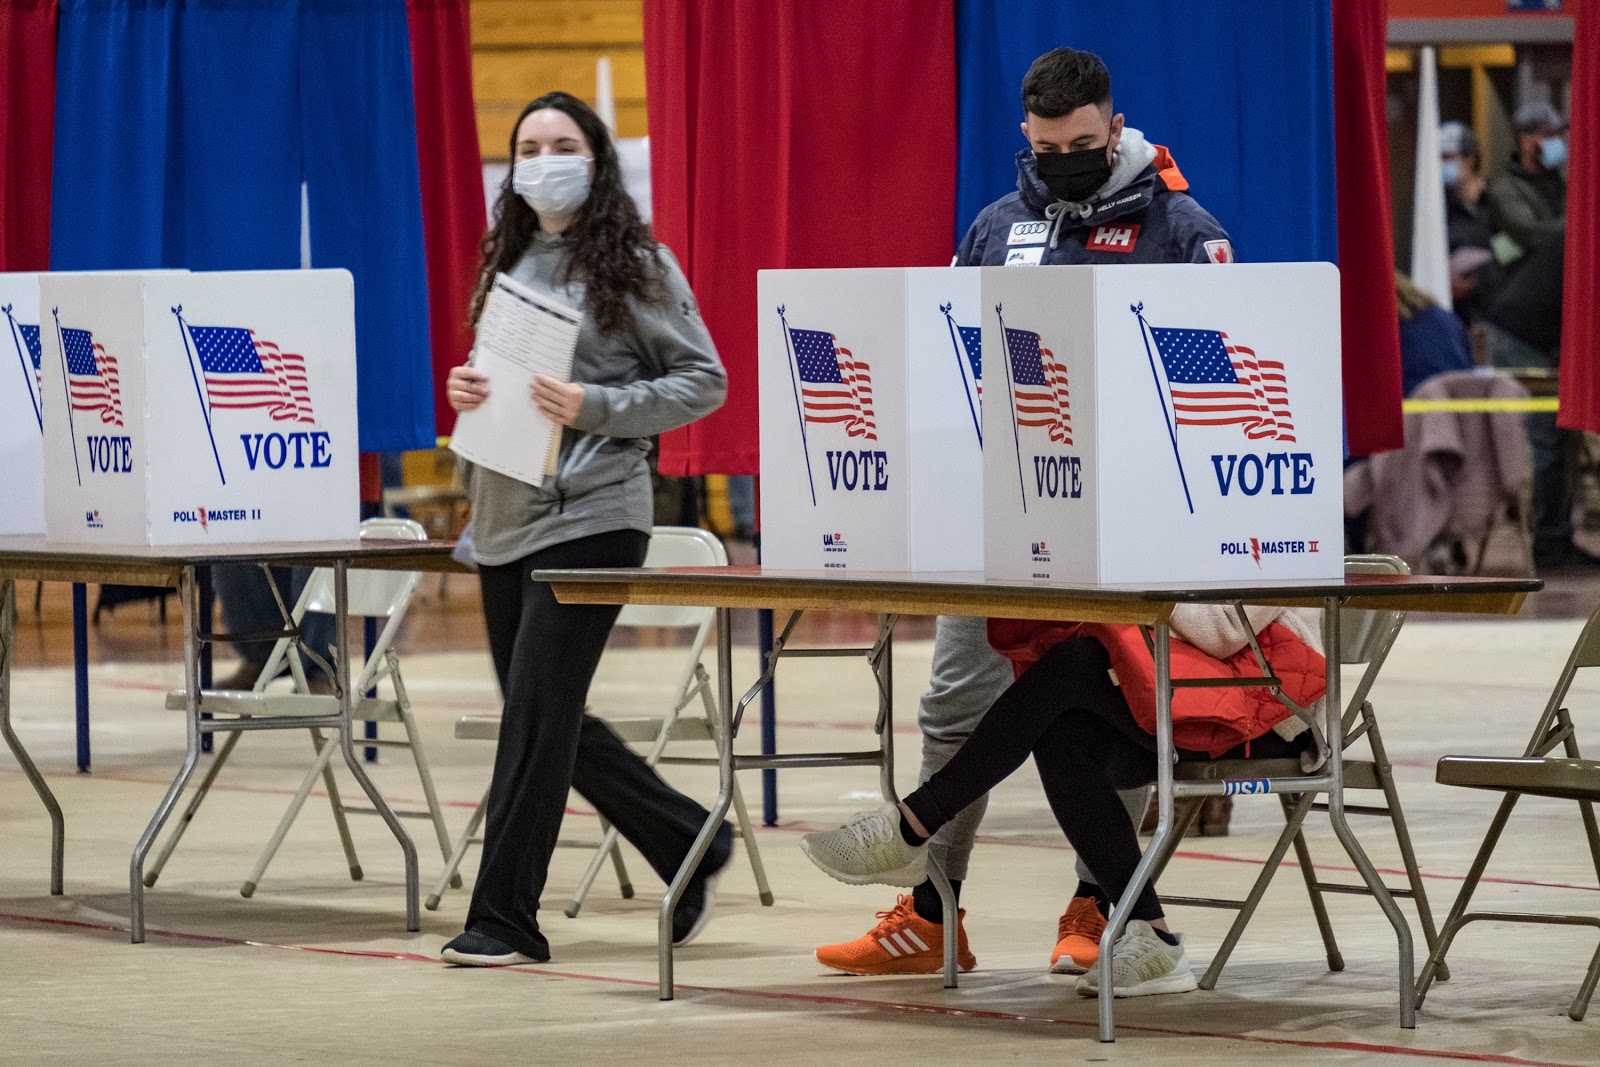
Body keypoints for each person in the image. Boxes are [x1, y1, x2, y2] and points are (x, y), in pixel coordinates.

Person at [811, 47, 1235, 981]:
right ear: (1026, 137)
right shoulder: (996, 226)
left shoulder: (1182, 227)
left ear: (1116, 128)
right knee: (955, 703)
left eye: (1085, 143)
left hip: (1129, 529)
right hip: (1003, 517)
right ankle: (933, 910)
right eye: (1050, 148)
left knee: (1101, 704)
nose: (1067, 159)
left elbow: (1217, 373)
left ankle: (1101, 902)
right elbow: (949, 362)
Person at [439, 91, 732, 967]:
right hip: (503, 516)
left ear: (596, 160)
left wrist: (594, 403)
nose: (544, 157)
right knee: (542, 714)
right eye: (530, 144)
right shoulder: (511, 258)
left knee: (535, 717)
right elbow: (508, 383)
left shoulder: (637, 263)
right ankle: (686, 836)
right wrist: (468, 395)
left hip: (593, 512)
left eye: (563, 143)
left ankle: (504, 918)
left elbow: (702, 379)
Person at [801, 606, 1324, 997]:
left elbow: (1222, 629)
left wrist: (1116, 576)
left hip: (1268, 706)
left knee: (1072, 669)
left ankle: (911, 827)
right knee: (1062, 725)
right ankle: (1151, 933)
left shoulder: (1251, 504)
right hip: (1185, 693)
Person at [1484, 101, 1577, 570]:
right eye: (1541, 132)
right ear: (1523, 138)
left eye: (1557, 131)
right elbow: (1531, 233)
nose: (1551, 140)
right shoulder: (1506, 189)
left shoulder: (1561, 187)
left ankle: (1558, 536)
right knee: (1541, 438)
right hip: (1520, 328)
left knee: (1557, 439)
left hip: (1539, 323)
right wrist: (1581, 218)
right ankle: (1547, 543)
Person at [1439, 121, 1503, 329]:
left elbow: (1514, 247)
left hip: (1501, 311)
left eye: (1447, 157)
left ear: (1470, 158)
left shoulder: (1497, 199)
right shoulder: (1439, 208)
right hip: (1460, 315)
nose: (1441, 164)